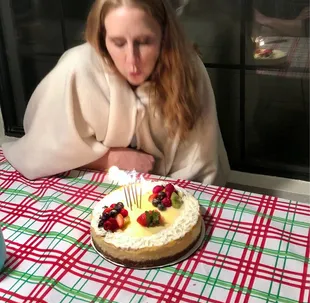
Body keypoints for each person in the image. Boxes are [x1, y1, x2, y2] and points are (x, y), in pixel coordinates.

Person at [2, 0, 230, 186]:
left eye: (144, 41)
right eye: (118, 43)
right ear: (101, 39)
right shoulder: (77, 68)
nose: (132, 61)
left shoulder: (188, 69)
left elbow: (201, 166)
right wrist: (108, 158)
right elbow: (39, 148)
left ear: (165, 36)